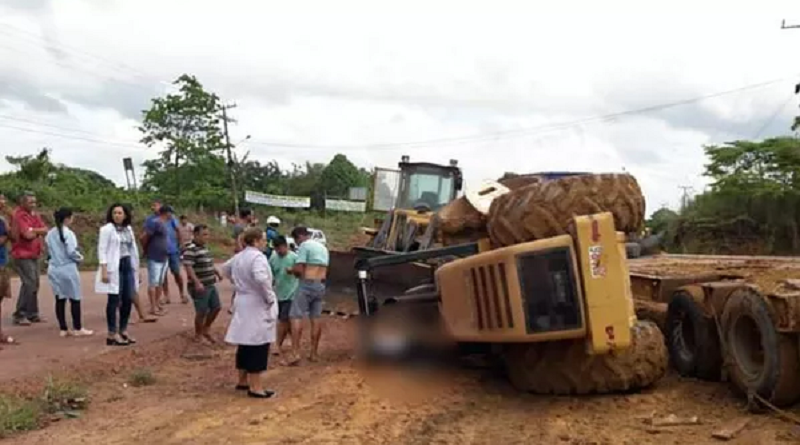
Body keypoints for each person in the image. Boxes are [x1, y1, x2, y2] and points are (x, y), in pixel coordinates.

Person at [220, 227, 277, 399]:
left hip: (243, 300)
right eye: (264, 239)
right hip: (256, 302)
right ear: (257, 240)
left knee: (244, 342)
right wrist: (268, 296)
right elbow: (260, 278)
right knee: (258, 343)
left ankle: (243, 380)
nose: (266, 242)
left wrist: (238, 284)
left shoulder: (240, 256)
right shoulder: (257, 257)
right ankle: (256, 386)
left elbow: (225, 269)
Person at [96, 203, 140, 346]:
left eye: (120, 213)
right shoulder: (106, 229)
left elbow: (133, 249)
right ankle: (111, 333)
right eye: (114, 213)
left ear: (125, 215)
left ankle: (123, 329)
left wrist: (136, 270)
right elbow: (102, 249)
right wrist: (104, 269)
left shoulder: (128, 229)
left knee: (128, 299)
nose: (117, 215)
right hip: (114, 266)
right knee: (114, 299)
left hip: (127, 264)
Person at [45, 208, 93, 338]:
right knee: (75, 298)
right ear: (67, 218)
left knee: (60, 298)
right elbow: (71, 252)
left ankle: (63, 328)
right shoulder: (68, 234)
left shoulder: (50, 233)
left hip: (54, 268)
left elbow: (49, 251)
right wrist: (80, 258)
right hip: (67, 268)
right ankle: (78, 327)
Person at [288, 226, 330, 362]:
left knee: (296, 316)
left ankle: (295, 353)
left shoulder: (305, 246)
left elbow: (299, 269)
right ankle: (314, 353)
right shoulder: (323, 248)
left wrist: (291, 270)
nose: (297, 244)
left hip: (306, 284)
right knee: (316, 318)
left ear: (299, 237)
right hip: (320, 284)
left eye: (296, 241)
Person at [11, 191, 48, 326]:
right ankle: (19, 314)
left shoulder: (34, 214)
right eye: (30, 202)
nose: (33, 204)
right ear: (22, 202)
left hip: (33, 254)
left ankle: (32, 313)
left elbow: (45, 229)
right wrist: (36, 230)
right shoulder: (19, 215)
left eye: (34, 202)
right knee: (29, 283)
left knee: (35, 283)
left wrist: (34, 230)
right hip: (22, 254)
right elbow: (27, 235)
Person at [183, 224, 223, 344]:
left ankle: (206, 329)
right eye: (204, 234)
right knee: (201, 311)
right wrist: (197, 282)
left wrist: (217, 272)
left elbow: (209, 263)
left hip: (210, 283)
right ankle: (198, 334)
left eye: (207, 234)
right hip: (200, 286)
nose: (207, 237)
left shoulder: (205, 248)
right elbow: (188, 267)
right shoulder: (191, 249)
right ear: (195, 235)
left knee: (216, 307)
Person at [145, 201, 187, 305]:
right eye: (152, 205)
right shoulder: (150, 220)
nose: (153, 207)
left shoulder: (171, 218)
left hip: (172, 250)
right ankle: (166, 296)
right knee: (162, 276)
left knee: (176, 272)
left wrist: (181, 244)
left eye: (155, 205)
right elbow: (146, 235)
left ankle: (182, 294)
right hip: (158, 251)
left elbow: (179, 230)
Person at [269, 235, 299, 364]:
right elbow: (270, 274)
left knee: (283, 319)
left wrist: (293, 271)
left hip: (292, 293)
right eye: (276, 249)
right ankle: (295, 346)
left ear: (285, 246)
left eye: (280, 248)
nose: (279, 251)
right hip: (280, 293)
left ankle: (277, 345)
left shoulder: (294, 257)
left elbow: (301, 273)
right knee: (286, 321)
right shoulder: (273, 257)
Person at [141, 205, 172, 316]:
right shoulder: (155, 223)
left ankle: (157, 304)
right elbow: (144, 237)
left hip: (163, 256)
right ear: (166, 213)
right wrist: (145, 250)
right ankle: (153, 307)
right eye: (170, 213)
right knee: (153, 283)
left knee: (159, 282)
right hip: (154, 256)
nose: (171, 215)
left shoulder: (164, 224)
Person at [229, 208, 257, 314]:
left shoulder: (247, 226)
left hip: (247, 254)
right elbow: (236, 241)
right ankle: (233, 305)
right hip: (242, 255)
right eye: (251, 215)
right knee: (240, 280)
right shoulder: (239, 227)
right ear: (247, 216)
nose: (253, 217)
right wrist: (240, 253)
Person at [0, 193, 16, 348]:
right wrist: (6, 236)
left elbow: (14, 236)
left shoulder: (2, 220)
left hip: (2, 263)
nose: (3, 202)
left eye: (4, 198)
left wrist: (13, 218)